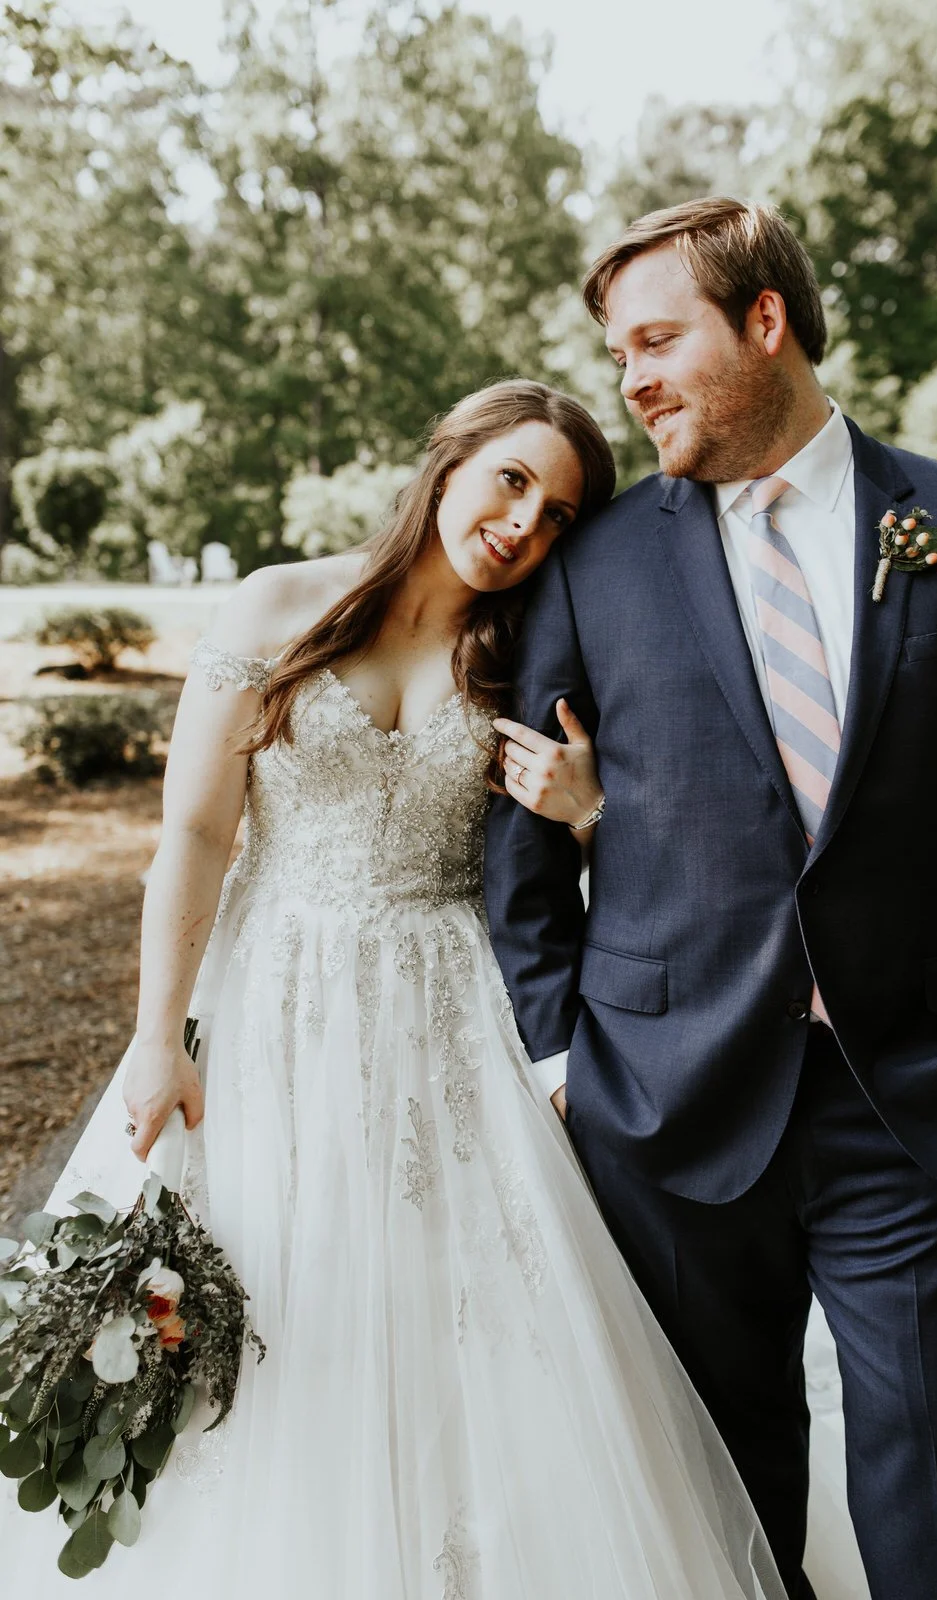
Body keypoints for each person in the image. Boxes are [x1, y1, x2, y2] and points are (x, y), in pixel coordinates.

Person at [1, 381, 788, 1600]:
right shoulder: (276, 604)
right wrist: (159, 1035)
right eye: (511, 479)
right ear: (450, 458)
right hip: (272, 998)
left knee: (462, 1308)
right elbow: (196, 834)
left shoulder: (527, 652)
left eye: (558, 514)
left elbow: (621, 849)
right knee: (273, 1287)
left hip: (450, 1008)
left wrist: (589, 812)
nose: (522, 524)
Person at [484, 199, 937, 1600]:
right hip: (660, 1099)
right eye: (616, 354)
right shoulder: (591, 560)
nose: (629, 381)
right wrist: (562, 1056)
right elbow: (517, 836)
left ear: (762, 321)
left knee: (929, 1455)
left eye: (654, 341)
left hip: (916, 1090)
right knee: (717, 1486)